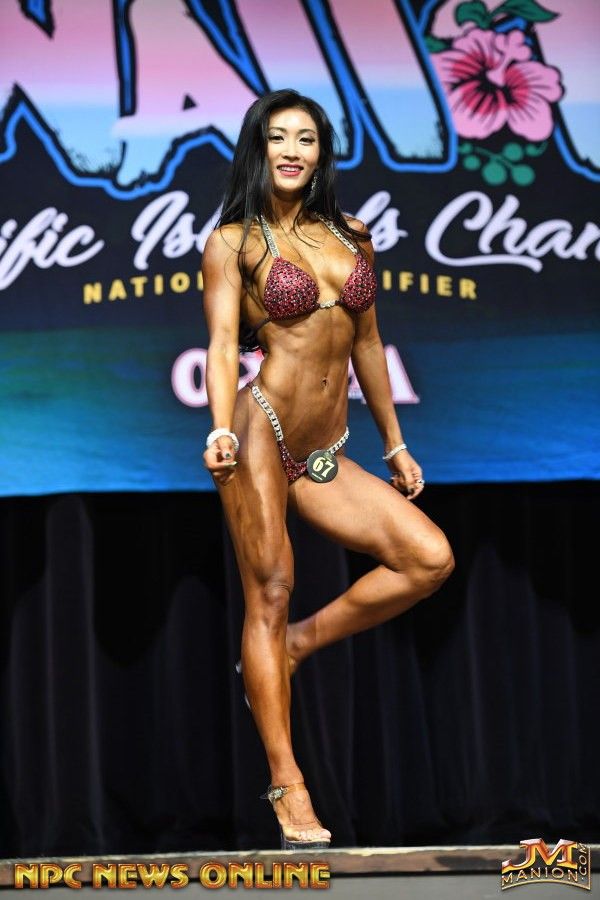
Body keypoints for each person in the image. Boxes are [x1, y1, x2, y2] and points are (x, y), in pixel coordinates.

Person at [201, 89, 454, 850]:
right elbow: (222, 344)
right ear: (258, 148)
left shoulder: (353, 234)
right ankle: (288, 783)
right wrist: (219, 428)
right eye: (278, 137)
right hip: (259, 431)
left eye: (305, 138)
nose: (292, 150)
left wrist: (395, 444)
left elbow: (368, 343)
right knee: (270, 589)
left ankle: (298, 646)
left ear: (320, 153)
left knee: (428, 558)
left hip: (324, 450)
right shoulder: (233, 243)